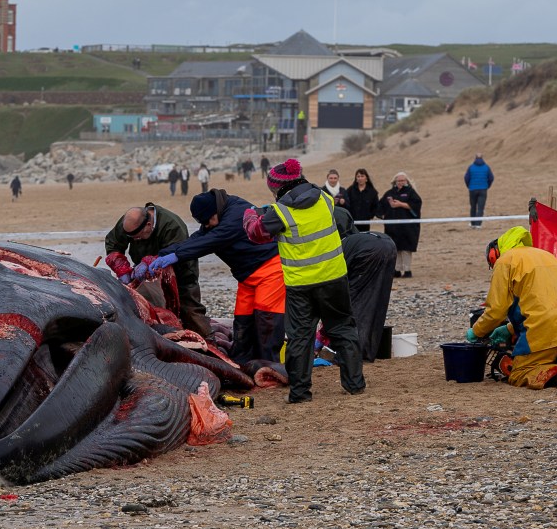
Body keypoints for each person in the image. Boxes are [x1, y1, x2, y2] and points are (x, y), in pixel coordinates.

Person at [243, 158, 365, 403]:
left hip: (301, 285)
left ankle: (300, 393)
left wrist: (250, 214)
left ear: (278, 187)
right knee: (343, 329)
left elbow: (256, 233)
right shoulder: (325, 199)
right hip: (334, 278)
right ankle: (354, 384)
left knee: (300, 338)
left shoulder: (280, 212)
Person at [149, 189, 285, 365]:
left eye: (208, 221)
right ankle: (242, 362)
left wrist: (177, 256)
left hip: (270, 269)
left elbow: (210, 241)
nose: (207, 225)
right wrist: (160, 255)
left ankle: (269, 366)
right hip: (246, 275)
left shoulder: (237, 215)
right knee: (243, 319)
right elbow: (198, 238)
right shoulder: (216, 217)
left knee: (267, 320)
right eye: (203, 223)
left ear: (215, 211)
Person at [469, 226, 557, 390]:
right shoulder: (546, 256)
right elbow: (541, 301)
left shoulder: (505, 261)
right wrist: (509, 329)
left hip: (543, 331)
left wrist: (476, 331)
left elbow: (496, 310)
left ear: (494, 253)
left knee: (519, 373)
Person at [105, 203, 212, 339]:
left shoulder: (172, 226)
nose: (135, 240)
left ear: (149, 225)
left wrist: (150, 262)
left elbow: (178, 252)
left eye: (137, 237)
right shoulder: (130, 223)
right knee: (145, 309)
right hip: (143, 272)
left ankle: (209, 343)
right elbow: (113, 243)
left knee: (190, 310)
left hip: (180, 269)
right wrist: (121, 268)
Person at [333, 207, 396, 363]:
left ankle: (353, 353)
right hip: (388, 243)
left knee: (357, 303)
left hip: (367, 251)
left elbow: (339, 289)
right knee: (377, 299)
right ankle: (369, 349)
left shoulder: (337, 248)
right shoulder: (343, 218)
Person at [378, 172, 422, 278]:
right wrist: (381, 215)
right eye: (398, 181)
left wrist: (400, 204)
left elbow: (417, 205)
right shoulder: (389, 193)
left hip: (408, 226)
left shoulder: (411, 192)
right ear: (395, 182)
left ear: (407, 181)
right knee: (395, 248)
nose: (401, 182)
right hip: (392, 226)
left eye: (403, 180)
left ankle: (407, 270)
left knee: (406, 248)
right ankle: (396, 269)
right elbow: (380, 206)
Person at [464, 153, 494, 228]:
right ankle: (478, 224)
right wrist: (487, 186)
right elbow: (491, 178)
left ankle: (473, 223)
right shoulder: (486, 167)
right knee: (481, 207)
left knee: (473, 206)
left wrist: (469, 186)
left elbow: (466, 178)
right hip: (483, 189)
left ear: (475, 158)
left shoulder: (471, 167)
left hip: (472, 189)